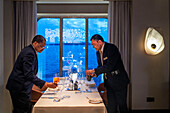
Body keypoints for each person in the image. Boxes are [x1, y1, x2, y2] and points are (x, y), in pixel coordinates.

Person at [6, 35, 57, 113]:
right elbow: (29, 74)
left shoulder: (30, 50)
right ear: (35, 43)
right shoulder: (29, 53)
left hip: (20, 85)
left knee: (23, 109)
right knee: (22, 110)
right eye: (41, 46)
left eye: (44, 46)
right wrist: (46, 84)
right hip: (20, 86)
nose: (43, 48)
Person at [85, 34, 130, 113]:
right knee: (111, 107)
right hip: (109, 82)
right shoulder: (98, 53)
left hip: (119, 81)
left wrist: (94, 71)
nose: (93, 47)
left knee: (122, 106)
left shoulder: (111, 48)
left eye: (94, 44)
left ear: (100, 42)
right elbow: (101, 66)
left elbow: (109, 66)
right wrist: (94, 74)